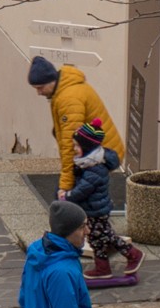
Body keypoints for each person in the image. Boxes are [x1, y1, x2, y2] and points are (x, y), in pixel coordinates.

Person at [28, 55, 127, 201]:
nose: (39, 92)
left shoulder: (68, 99)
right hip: (102, 152)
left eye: (40, 87)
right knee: (82, 203)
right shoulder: (66, 87)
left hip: (99, 156)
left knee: (70, 203)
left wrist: (65, 185)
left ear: (51, 81)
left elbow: (70, 146)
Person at [67, 120, 140, 280]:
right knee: (95, 239)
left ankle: (133, 254)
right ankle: (102, 268)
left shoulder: (94, 169)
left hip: (97, 210)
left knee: (106, 236)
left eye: (77, 146)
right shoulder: (87, 164)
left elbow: (83, 189)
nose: (74, 149)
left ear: (87, 148)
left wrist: (68, 197)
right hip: (92, 209)